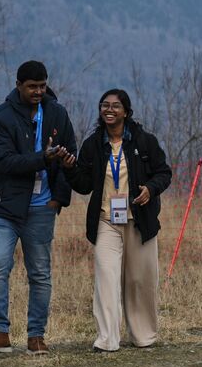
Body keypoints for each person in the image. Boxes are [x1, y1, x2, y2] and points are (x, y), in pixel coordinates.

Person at [0, 60, 77, 355]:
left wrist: (59, 196)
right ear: (18, 84)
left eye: (42, 85)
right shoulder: (0, 117)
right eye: (32, 86)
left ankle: (36, 337)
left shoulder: (58, 113)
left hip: (42, 206)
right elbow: (5, 161)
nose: (38, 91)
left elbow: (70, 151)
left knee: (40, 273)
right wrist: (43, 158)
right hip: (4, 207)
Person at [66, 88, 172, 352]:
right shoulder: (93, 145)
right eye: (104, 105)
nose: (109, 110)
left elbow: (164, 172)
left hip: (139, 220)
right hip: (106, 220)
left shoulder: (144, 141)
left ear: (126, 111)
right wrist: (68, 168)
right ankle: (107, 339)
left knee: (139, 280)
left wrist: (150, 188)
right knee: (106, 276)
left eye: (115, 106)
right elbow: (83, 184)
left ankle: (143, 335)